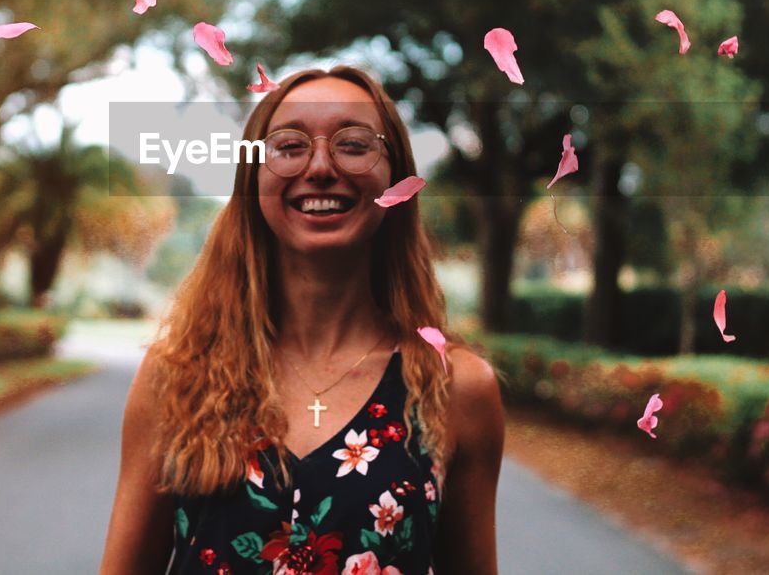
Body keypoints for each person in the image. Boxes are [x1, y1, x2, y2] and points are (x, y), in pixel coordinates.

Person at [100, 66, 504, 574]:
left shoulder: (458, 388)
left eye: (354, 144)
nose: (319, 167)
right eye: (289, 146)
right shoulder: (176, 376)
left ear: (396, 179)